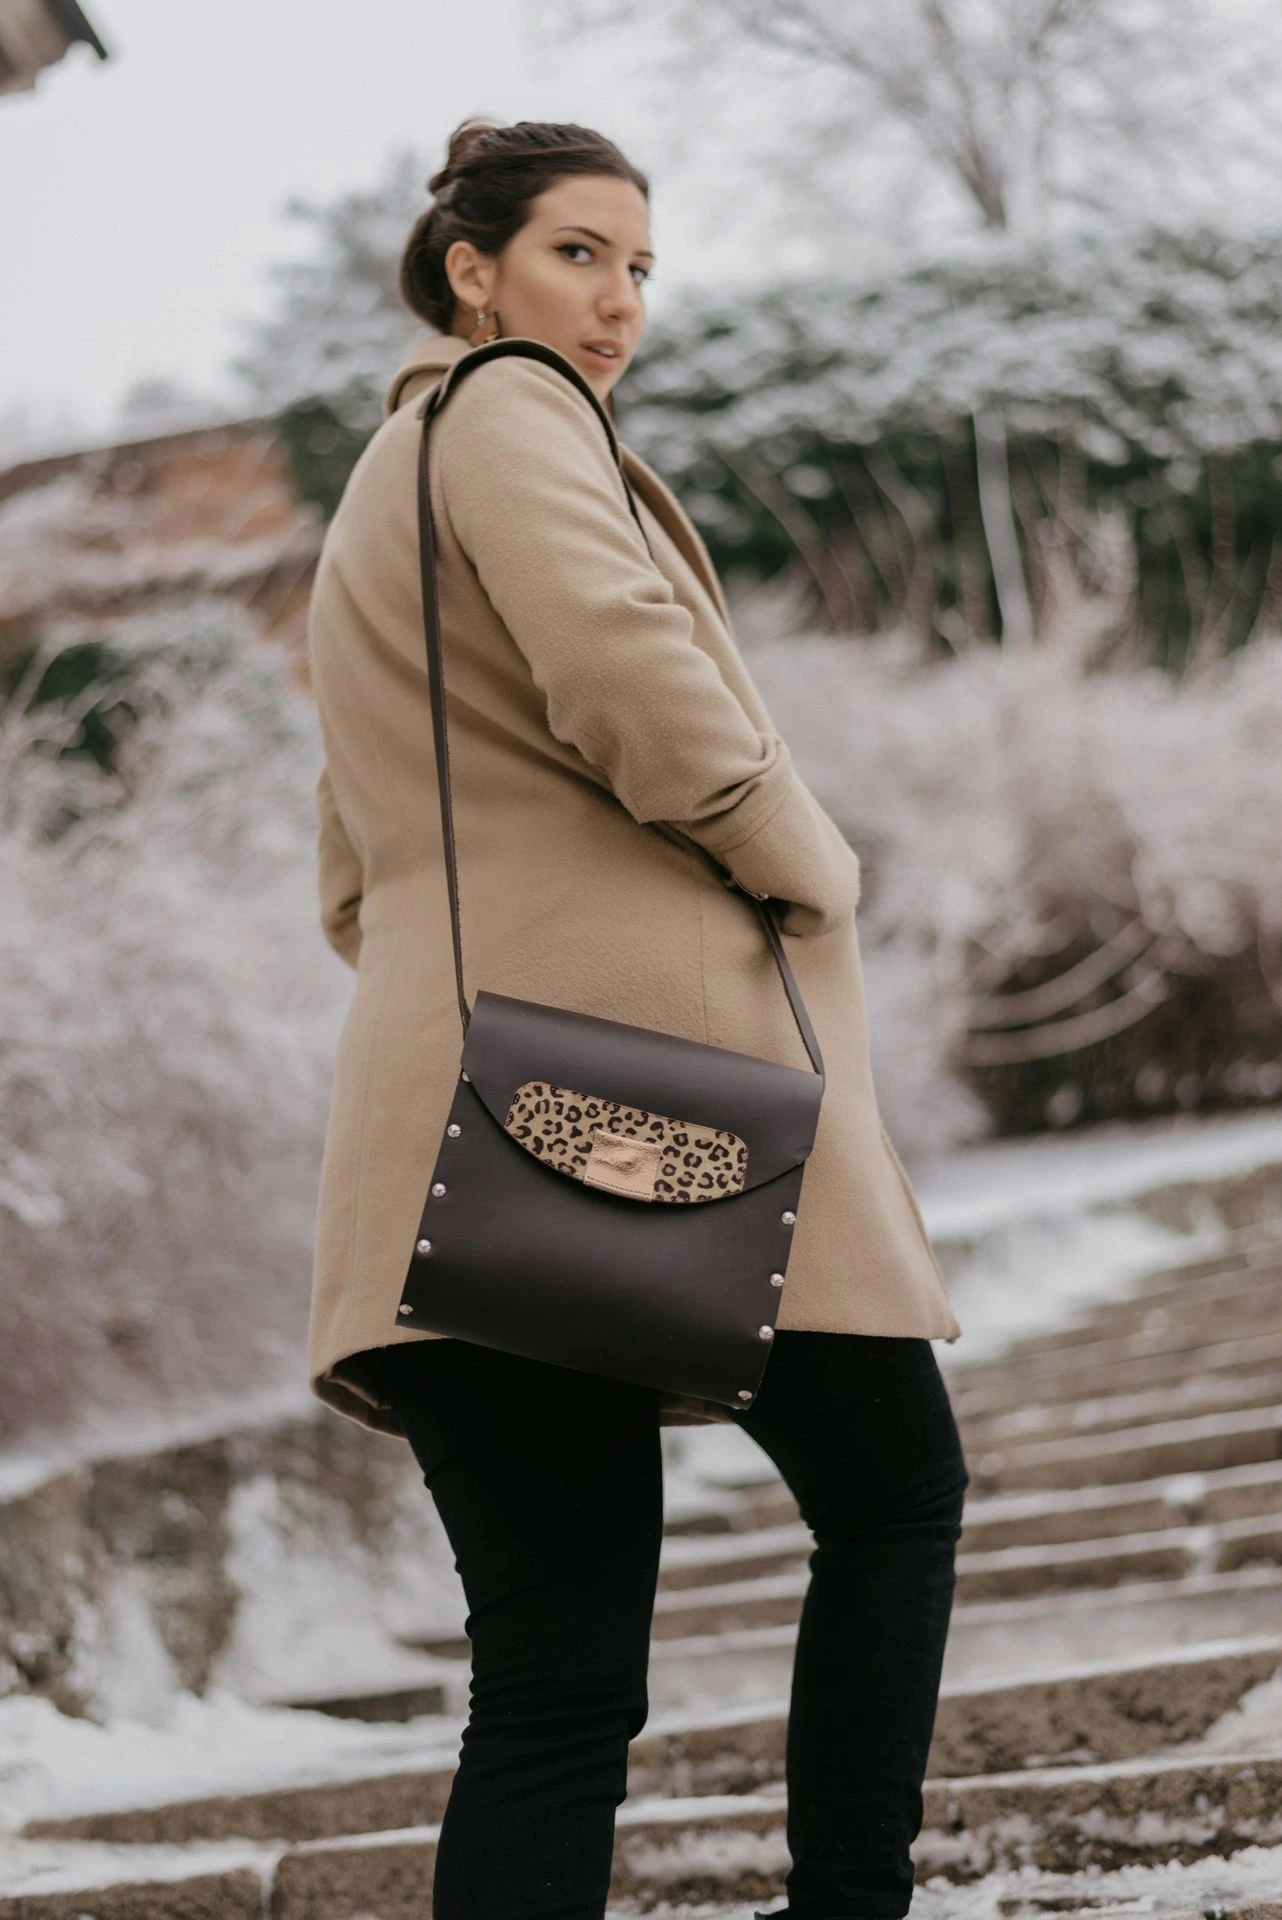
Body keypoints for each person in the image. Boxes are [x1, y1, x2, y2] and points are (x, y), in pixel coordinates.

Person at [305, 115, 969, 1920]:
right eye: (578, 254)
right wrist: (799, 854)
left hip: (441, 1105)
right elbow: (624, 669)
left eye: (639, 267)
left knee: (549, 1688)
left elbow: (349, 874)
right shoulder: (510, 409)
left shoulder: (377, 484)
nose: (615, 304)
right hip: (627, 1087)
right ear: (474, 270)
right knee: (895, 1491)